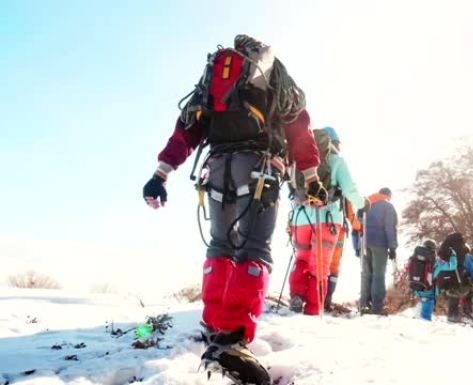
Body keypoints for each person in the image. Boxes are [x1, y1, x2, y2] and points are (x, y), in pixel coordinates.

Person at [142, 35, 327, 385]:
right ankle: (233, 339)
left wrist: (160, 175)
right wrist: (311, 177)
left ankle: (215, 330)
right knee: (254, 248)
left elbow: (186, 129)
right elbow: (299, 130)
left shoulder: (212, 83)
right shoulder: (274, 77)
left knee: (220, 246)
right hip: (259, 167)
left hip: (216, 169)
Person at [288, 126, 365, 315]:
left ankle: (297, 294)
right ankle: (314, 309)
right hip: (328, 220)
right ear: (335, 143)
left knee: (302, 259)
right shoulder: (336, 161)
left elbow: (293, 192)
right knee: (320, 265)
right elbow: (350, 190)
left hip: (300, 219)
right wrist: (363, 204)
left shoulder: (300, 161)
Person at [436, 233, 473, 328]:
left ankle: (452, 318)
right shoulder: (467, 257)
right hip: (462, 286)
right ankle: (466, 314)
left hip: (447, 285)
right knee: (468, 291)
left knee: (453, 294)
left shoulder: (446, 255)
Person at [359, 187, 398, 314]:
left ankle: (364, 305)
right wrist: (392, 247)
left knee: (366, 275)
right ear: (387, 195)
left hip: (364, 243)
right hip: (380, 243)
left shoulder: (365, 204)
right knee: (378, 275)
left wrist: (357, 246)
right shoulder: (387, 206)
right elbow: (390, 227)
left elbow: (357, 225)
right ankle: (377, 307)